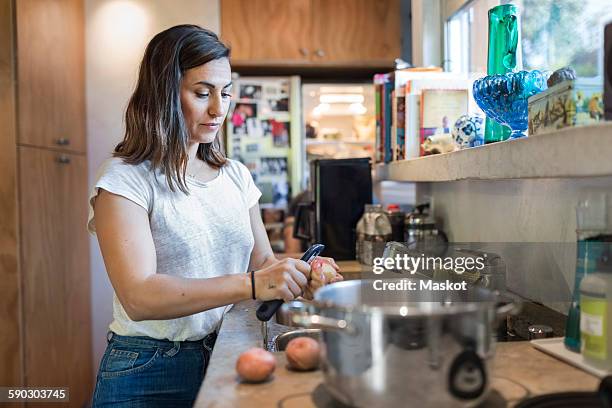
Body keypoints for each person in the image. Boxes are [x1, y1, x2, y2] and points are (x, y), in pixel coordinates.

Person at [88, 25, 342, 407]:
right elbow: (139, 296)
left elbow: (262, 261)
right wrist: (254, 283)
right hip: (148, 368)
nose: (218, 108)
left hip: (226, 348)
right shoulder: (125, 179)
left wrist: (295, 274)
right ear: (163, 94)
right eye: (202, 93)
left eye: (225, 93)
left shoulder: (235, 175)